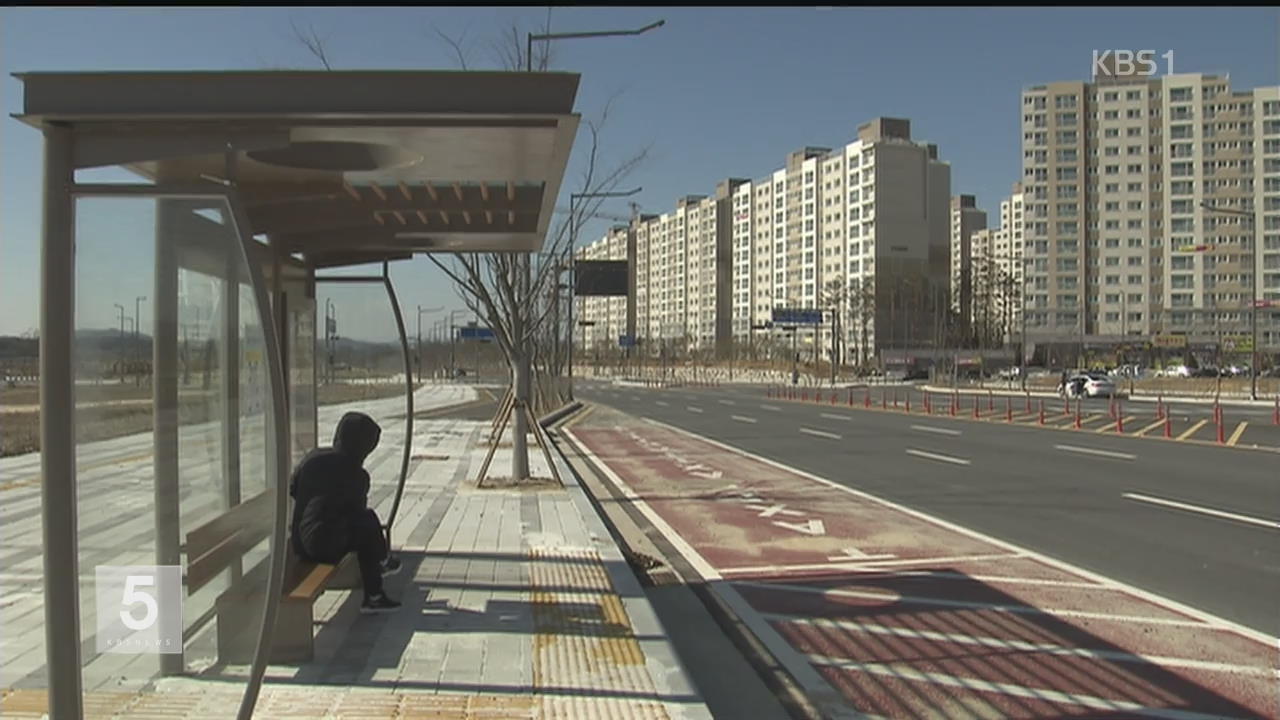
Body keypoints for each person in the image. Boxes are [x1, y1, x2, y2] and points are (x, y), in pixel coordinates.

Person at [290, 411, 402, 614]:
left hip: (299, 542)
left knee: (364, 524)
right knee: (366, 525)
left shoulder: (314, 457)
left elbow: (293, 488)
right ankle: (376, 588)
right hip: (322, 547)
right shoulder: (355, 474)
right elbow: (355, 511)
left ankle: (382, 562)